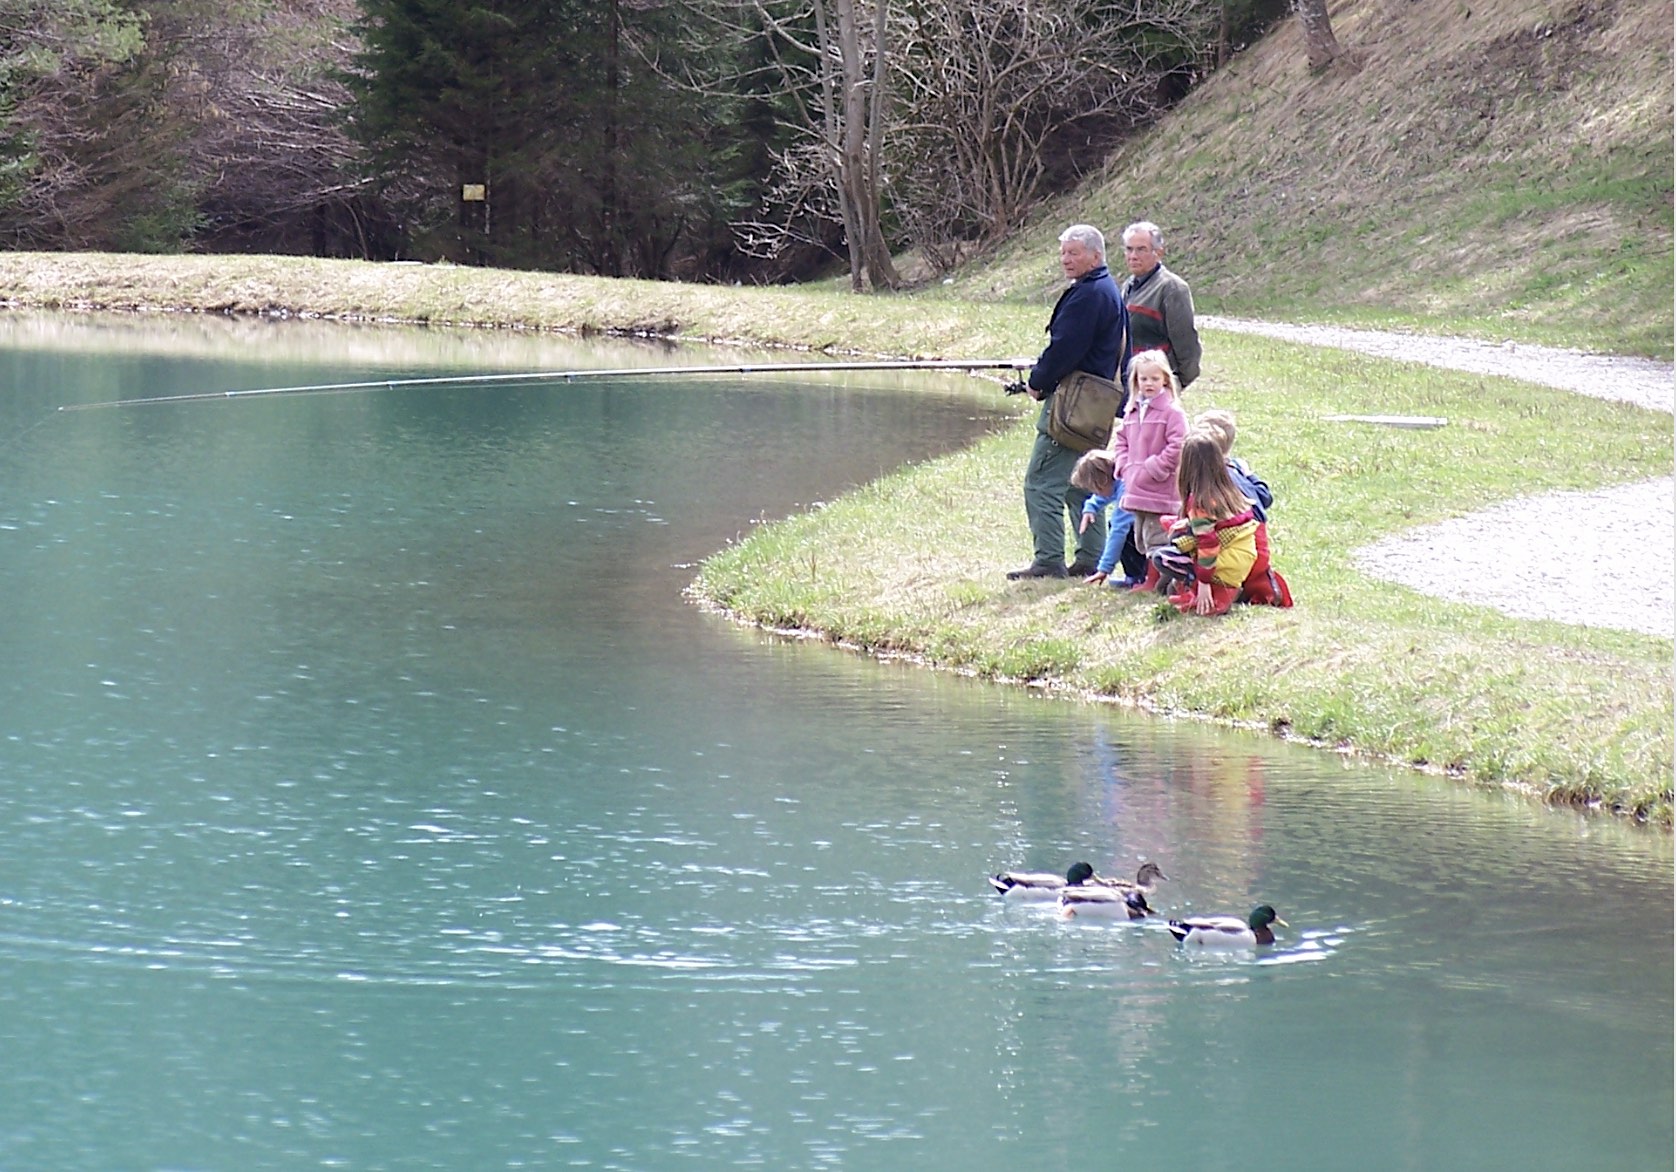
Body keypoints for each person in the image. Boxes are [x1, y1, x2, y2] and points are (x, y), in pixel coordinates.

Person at [1007, 224, 1129, 580]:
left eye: (1073, 253)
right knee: (1082, 482)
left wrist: (1036, 383)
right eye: (1063, 253)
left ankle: (1048, 562)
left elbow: (1064, 349)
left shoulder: (1090, 295)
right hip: (1097, 406)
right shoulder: (1107, 291)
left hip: (1072, 408)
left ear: (1096, 255)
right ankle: (1090, 558)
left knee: (1040, 483)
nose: (1066, 260)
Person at [1151, 432, 1292, 616]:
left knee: (1162, 557)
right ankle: (1219, 588)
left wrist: (1203, 584)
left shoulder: (1201, 501)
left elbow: (1208, 545)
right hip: (1246, 554)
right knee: (1178, 534)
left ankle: (1213, 589)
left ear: (1187, 466)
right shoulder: (1228, 488)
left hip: (1228, 561)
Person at [1110, 350, 1187, 593]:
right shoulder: (1132, 411)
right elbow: (1121, 440)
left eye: (1155, 379)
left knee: (1157, 537)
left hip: (1160, 488)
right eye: (1144, 379)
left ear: (1165, 379)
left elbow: (1179, 445)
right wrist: (1125, 465)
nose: (1149, 384)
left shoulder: (1172, 412)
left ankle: (1155, 582)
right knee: (1141, 537)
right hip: (1136, 486)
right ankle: (1150, 578)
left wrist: (1154, 468)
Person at [1120, 221, 1202, 389]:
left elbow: (1186, 344)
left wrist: (1175, 383)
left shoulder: (1172, 289)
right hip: (1133, 384)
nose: (1133, 256)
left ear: (1159, 253)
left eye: (1141, 249)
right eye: (1129, 249)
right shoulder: (1128, 286)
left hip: (1159, 387)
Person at [1068, 449, 1135, 587]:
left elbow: (1118, 530)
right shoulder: (1122, 479)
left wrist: (1104, 569)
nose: (1094, 493)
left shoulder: (1126, 492)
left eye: (1094, 489)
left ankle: (1137, 576)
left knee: (1123, 530)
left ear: (1103, 480)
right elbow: (1106, 494)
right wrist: (1091, 507)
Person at [1193, 408, 1273, 521]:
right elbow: (1265, 497)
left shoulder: (1207, 478)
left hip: (1237, 534)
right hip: (1255, 532)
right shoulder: (1237, 469)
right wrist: (1249, 475)